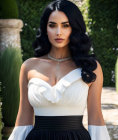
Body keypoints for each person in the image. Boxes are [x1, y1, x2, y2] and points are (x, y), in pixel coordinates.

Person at [8, 0, 111, 139]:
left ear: (74, 28)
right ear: (45, 29)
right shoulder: (29, 67)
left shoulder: (90, 67)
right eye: (52, 25)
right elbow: (23, 120)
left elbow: (96, 118)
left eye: (65, 26)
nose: (58, 32)